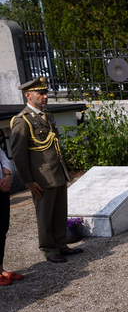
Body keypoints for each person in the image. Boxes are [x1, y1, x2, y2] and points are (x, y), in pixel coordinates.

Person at [10, 76, 82, 264]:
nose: (45, 96)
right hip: (41, 176)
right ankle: (49, 249)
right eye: (40, 93)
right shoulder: (22, 120)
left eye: (45, 92)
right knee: (45, 215)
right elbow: (19, 155)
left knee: (59, 212)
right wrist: (28, 181)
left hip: (56, 172)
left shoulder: (46, 115)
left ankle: (61, 245)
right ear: (28, 95)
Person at [0, 146, 23, 285]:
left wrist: (8, 176)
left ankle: (1, 269)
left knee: (2, 228)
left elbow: (2, 156)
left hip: (1, 187)